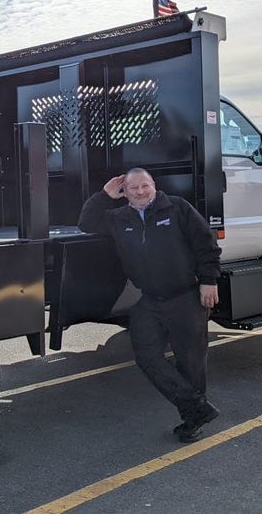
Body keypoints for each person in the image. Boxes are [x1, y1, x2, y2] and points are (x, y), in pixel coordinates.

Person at [78, 168, 222, 442]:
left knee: (191, 363)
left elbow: (206, 244)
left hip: (186, 297)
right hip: (150, 300)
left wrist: (209, 280)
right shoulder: (119, 218)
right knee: (146, 356)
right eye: (134, 188)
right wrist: (103, 196)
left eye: (145, 186)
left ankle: (192, 420)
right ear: (125, 193)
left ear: (154, 186)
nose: (141, 192)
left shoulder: (178, 208)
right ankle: (197, 408)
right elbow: (86, 222)